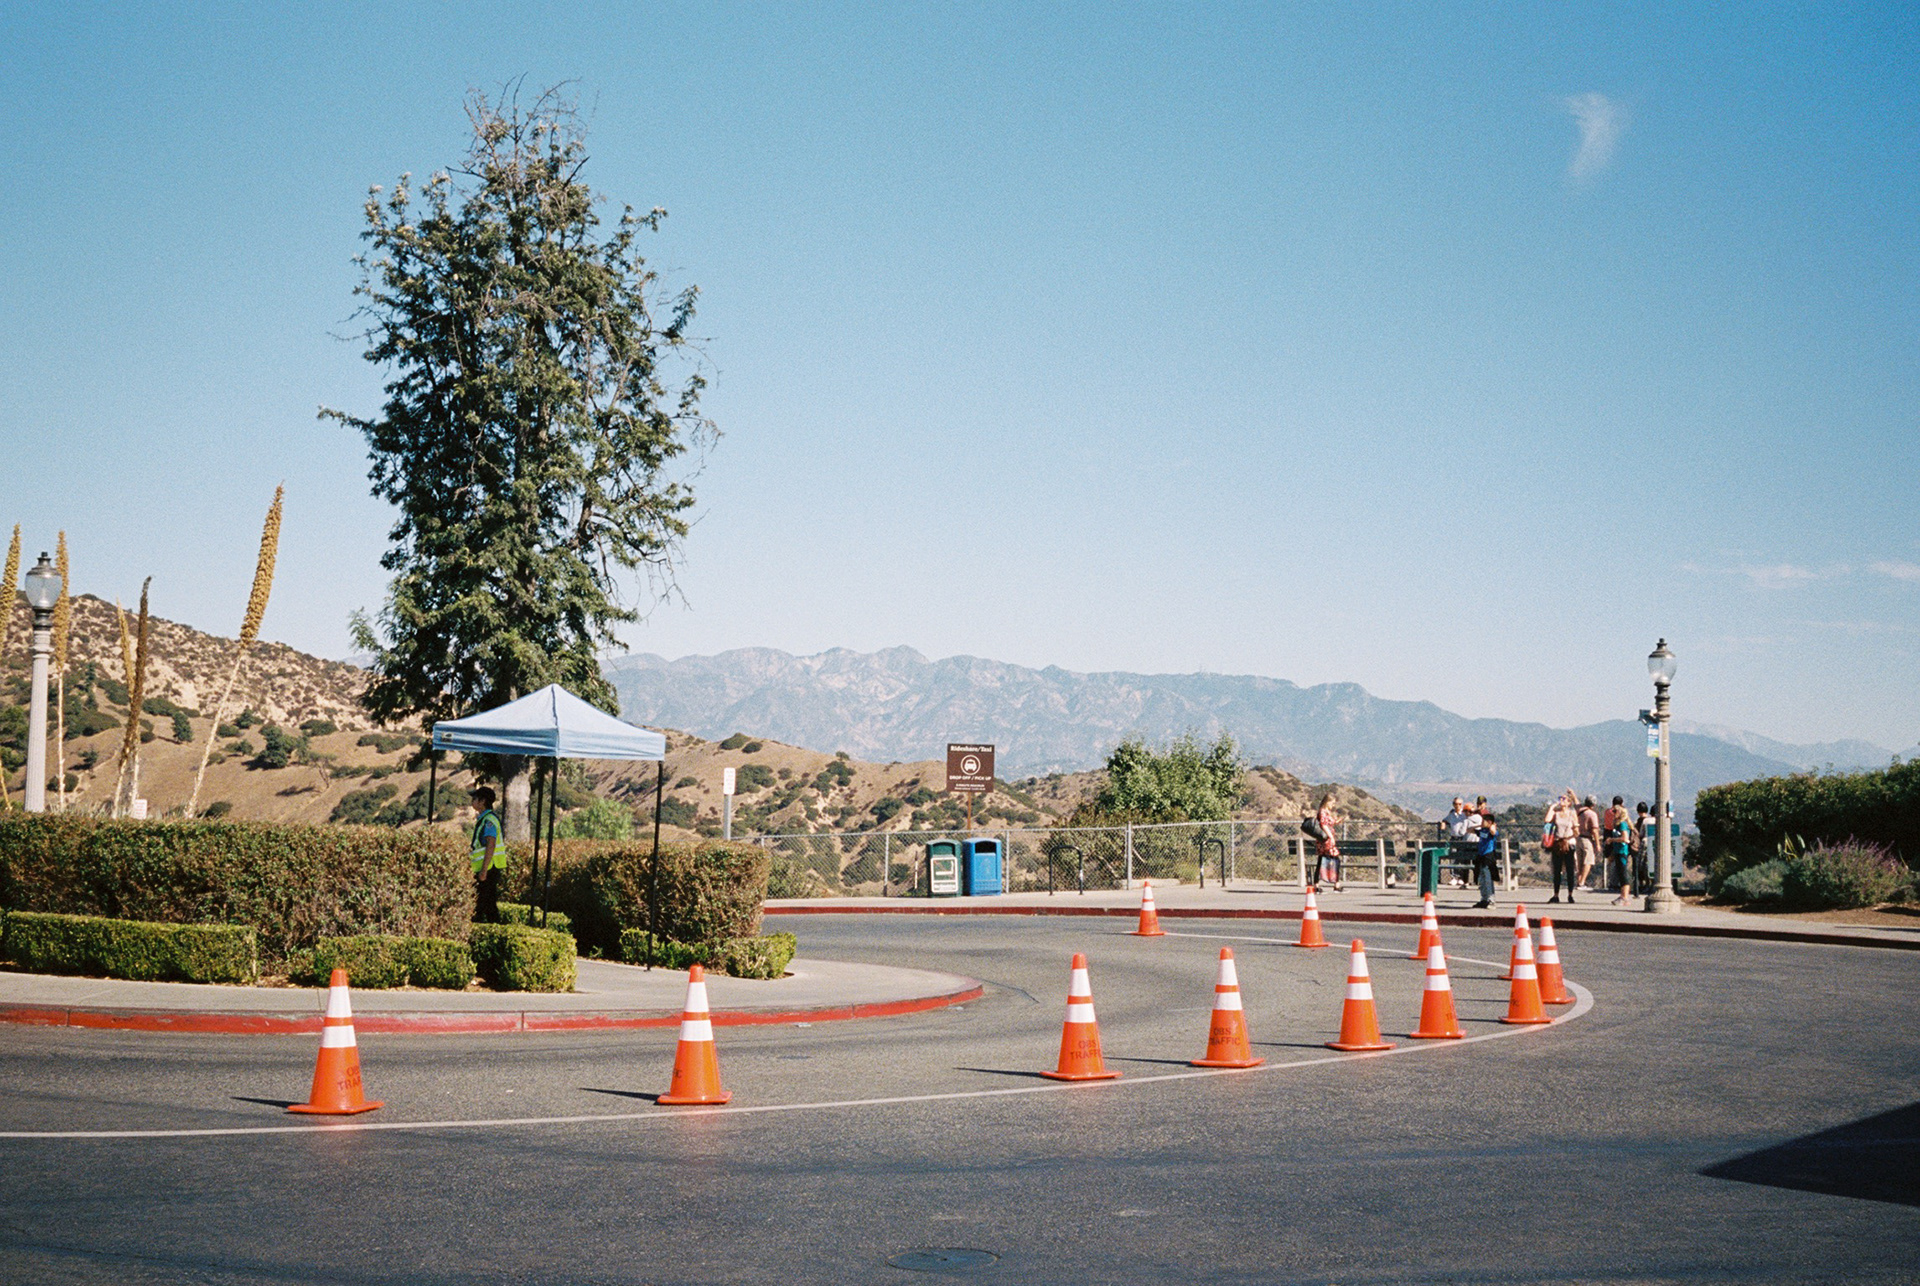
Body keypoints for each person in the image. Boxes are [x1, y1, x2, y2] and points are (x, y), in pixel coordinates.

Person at [469, 785, 505, 923]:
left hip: (489, 868)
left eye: (475, 798)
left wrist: (484, 870)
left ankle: (491, 928)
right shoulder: (484, 819)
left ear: (482, 801)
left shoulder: (489, 820)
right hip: (486, 868)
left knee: (484, 904)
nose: (472, 801)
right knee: (486, 903)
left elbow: (491, 844)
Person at [1546, 789, 1580, 903]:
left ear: (1569, 802)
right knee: (1557, 870)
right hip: (1557, 843)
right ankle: (1556, 895)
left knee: (1570, 870)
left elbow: (1576, 829)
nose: (1561, 800)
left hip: (1569, 843)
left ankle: (1570, 894)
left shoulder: (1572, 813)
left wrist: (1573, 833)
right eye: (1560, 798)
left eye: (1564, 799)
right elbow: (1547, 820)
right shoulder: (1556, 814)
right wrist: (1552, 807)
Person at [1603, 795, 1635, 904]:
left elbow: (1625, 838)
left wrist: (1612, 839)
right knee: (1620, 873)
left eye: (1615, 811)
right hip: (1618, 851)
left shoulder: (1622, 824)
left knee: (1623, 873)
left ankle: (1625, 896)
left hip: (1622, 851)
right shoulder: (1617, 824)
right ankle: (1623, 895)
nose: (1613, 813)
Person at [1314, 792, 1342, 892]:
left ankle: (1316, 885)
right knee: (1336, 860)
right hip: (1326, 841)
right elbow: (1324, 825)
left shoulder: (1326, 812)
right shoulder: (1322, 812)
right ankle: (1336, 884)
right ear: (1327, 802)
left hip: (1325, 840)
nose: (1333, 805)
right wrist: (1331, 836)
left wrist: (1336, 821)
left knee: (1321, 860)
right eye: (1332, 803)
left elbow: (1328, 823)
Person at [1471, 811, 1499, 908]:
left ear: (1489, 822)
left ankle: (1491, 900)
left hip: (1488, 857)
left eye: (1484, 820)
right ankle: (1484, 899)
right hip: (1481, 856)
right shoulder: (1482, 831)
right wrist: (1480, 825)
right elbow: (1469, 829)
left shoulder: (1491, 832)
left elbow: (1493, 832)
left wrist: (1492, 825)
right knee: (1481, 879)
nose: (1482, 822)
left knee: (1488, 879)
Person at [1575, 795, 1603, 891]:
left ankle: (1579, 880)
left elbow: (1576, 803)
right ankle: (1582, 882)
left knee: (1580, 861)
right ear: (1594, 804)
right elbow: (1595, 830)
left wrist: (1573, 795)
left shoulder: (1579, 811)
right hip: (1587, 839)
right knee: (1588, 861)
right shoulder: (1592, 814)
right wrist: (1598, 844)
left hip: (1578, 838)